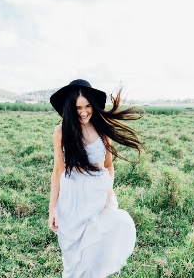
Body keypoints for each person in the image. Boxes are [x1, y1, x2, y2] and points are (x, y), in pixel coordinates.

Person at [48, 79, 145, 277]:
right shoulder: (61, 132)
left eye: (87, 106)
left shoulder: (101, 129)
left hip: (97, 199)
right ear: (69, 107)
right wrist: (52, 208)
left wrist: (108, 193)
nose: (83, 112)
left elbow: (109, 166)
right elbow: (58, 170)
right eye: (78, 107)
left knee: (94, 256)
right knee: (73, 258)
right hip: (72, 200)